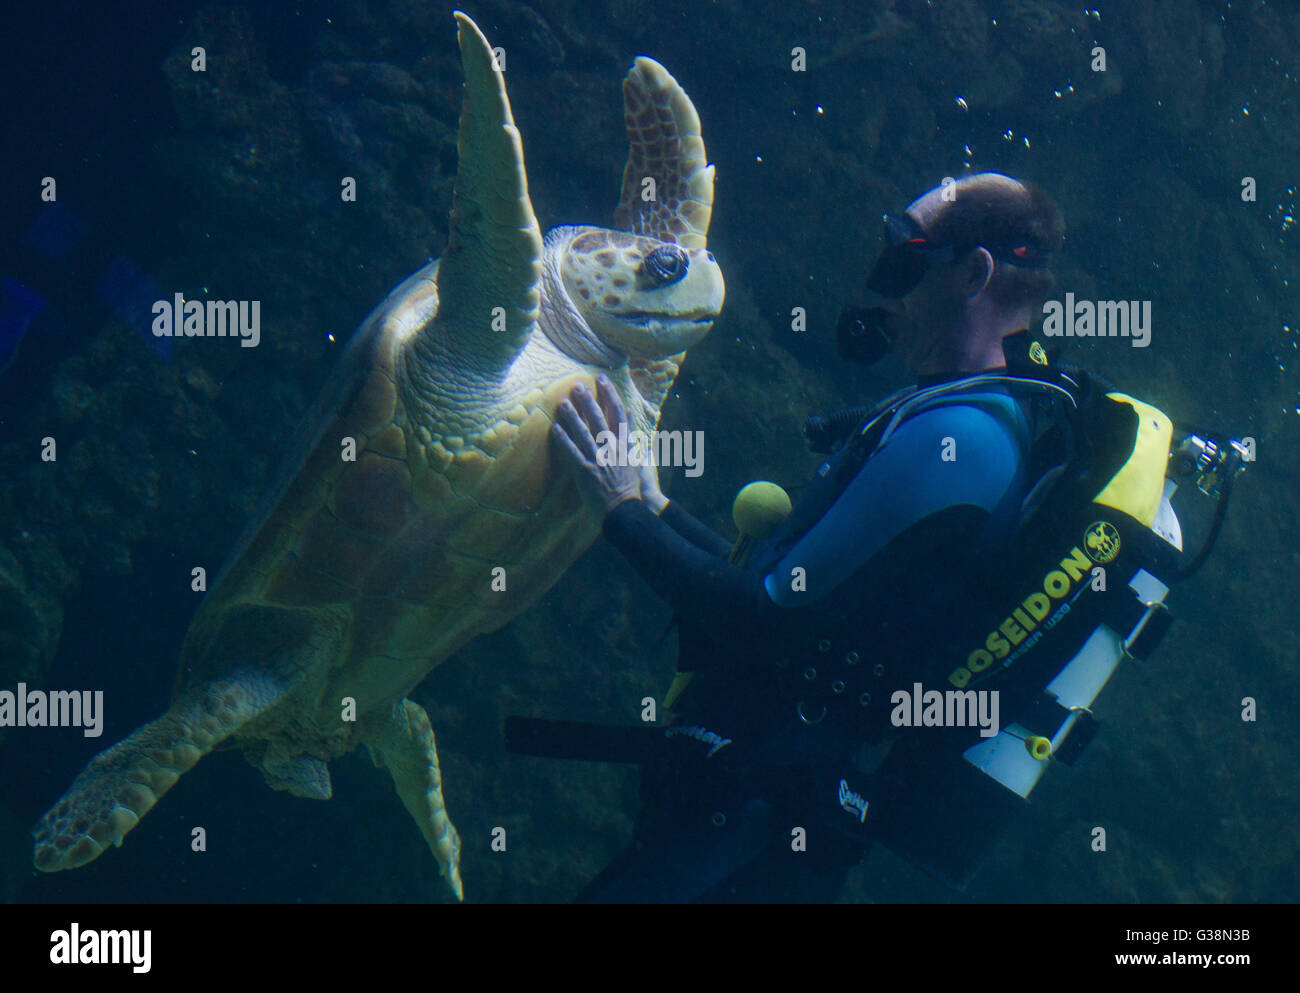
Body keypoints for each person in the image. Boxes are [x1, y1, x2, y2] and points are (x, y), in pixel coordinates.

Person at [523, 173, 1241, 902]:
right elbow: (794, 587)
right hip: (760, 819)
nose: (884, 290)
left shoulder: (960, 437)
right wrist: (653, 504)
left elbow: (765, 617)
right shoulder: (969, 415)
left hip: (749, 832)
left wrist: (619, 509)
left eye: (905, 260)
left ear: (973, 274)